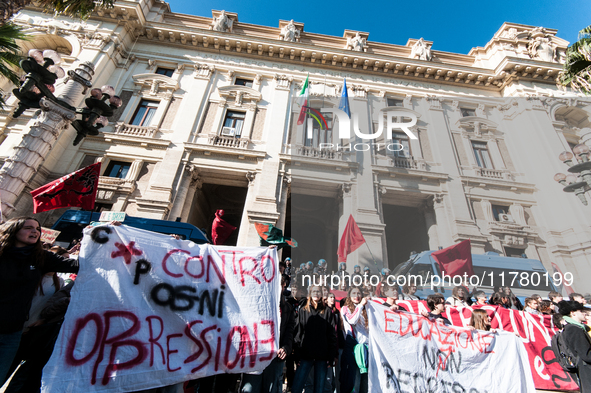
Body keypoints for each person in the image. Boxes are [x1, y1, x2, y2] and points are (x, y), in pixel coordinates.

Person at [0, 217, 79, 384]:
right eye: (28, 228)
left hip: (12, 332)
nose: (35, 231)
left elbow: (78, 264)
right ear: (13, 231)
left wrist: (104, 234)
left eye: (37, 228)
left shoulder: (41, 257)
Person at [241, 274, 295, 393]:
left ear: (283, 286)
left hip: (275, 357)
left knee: (272, 389)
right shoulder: (255, 304)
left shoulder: (287, 308)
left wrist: (286, 348)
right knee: (250, 389)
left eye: (279, 285)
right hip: (255, 356)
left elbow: (289, 333)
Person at [292, 285, 337, 393]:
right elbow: (298, 333)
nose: (316, 294)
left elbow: (331, 335)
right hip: (306, 355)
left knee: (319, 389)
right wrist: (297, 355)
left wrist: (332, 356)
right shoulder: (303, 311)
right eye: (314, 291)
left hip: (322, 356)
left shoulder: (327, 312)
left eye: (318, 292)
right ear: (310, 294)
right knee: (297, 387)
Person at [340, 287, 369, 393]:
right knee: (353, 380)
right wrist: (361, 305)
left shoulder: (366, 309)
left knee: (365, 380)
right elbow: (352, 320)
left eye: (359, 293)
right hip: (352, 347)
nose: (356, 296)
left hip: (366, 347)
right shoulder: (345, 308)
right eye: (354, 293)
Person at [559, 300, 591, 392]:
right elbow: (586, 354)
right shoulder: (574, 329)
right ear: (573, 313)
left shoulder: (575, 327)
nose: (584, 313)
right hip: (586, 370)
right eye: (581, 311)